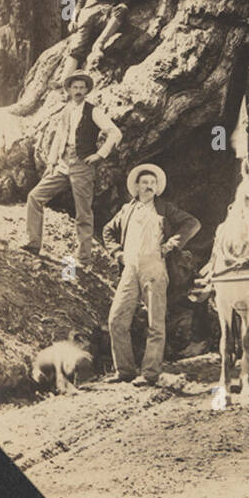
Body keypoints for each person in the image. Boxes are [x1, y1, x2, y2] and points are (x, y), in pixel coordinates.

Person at [102, 164, 201, 385]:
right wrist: (117, 253)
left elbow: (192, 223)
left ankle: (150, 373)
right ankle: (125, 370)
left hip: (155, 268)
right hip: (130, 268)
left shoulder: (165, 208)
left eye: (153, 183)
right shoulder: (127, 210)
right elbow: (107, 230)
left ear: (157, 188)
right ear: (136, 187)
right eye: (145, 183)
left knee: (155, 323)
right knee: (116, 319)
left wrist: (172, 244)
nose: (149, 186)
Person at [22, 71, 121, 268]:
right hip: (62, 164)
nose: (78, 91)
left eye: (81, 88)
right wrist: (52, 161)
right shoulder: (66, 110)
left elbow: (115, 133)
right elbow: (59, 136)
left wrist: (100, 155)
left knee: (83, 213)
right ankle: (33, 244)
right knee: (35, 196)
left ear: (86, 90)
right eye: (74, 87)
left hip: (83, 166)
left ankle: (83, 259)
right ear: (68, 89)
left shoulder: (93, 111)